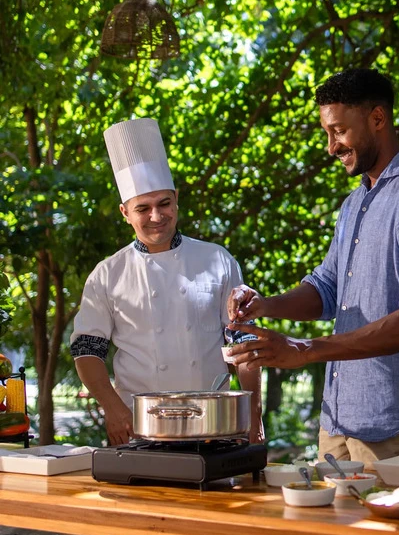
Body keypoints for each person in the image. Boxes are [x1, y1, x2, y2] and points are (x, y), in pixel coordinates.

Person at [225, 68, 399, 465]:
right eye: (326, 133)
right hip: (336, 425)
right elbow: (327, 289)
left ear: (377, 119)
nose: (331, 146)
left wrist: (304, 349)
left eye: (338, 131)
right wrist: (266, 304)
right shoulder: (354, 203)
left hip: (394, 430)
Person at [70, 118, 263, 446]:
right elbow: (87, 349)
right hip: (139, 424)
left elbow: (244, 344)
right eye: (142, 208)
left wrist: (253, 413)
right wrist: (113, 409)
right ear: (125, 212)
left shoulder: (217, 260)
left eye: (164, 204)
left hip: (213, 425)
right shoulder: (108, 273)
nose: (156, 217)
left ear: (176, 198)